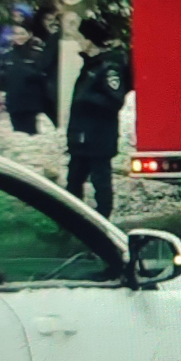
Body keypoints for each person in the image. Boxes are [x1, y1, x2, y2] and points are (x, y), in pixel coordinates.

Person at [66, 17, 128, 219]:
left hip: (98, 138)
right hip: (82, 137)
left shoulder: (109, 66)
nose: (78, 41)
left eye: (81, 37)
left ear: (90, 40)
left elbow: (115, 100)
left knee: (100, 182)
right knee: (73, 183)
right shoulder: (91, 64)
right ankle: (70, 222)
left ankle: (103, 221)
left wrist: (87, 98)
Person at [0, 21, 46, 134]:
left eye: (22, 33)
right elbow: (3, 77)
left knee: (31, 135)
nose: (18, 37)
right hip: (14, 104)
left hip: (31, 105)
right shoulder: (7, 55)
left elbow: (43, 76)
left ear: (29, 34)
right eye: (15, 33)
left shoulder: (38, 54)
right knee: (17, 134)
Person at [32, 4, 61, 126]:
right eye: (49, 20)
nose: (54, 23)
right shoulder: (39, 40)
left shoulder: (56, 39)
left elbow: (43, 64)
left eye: (57, 20)